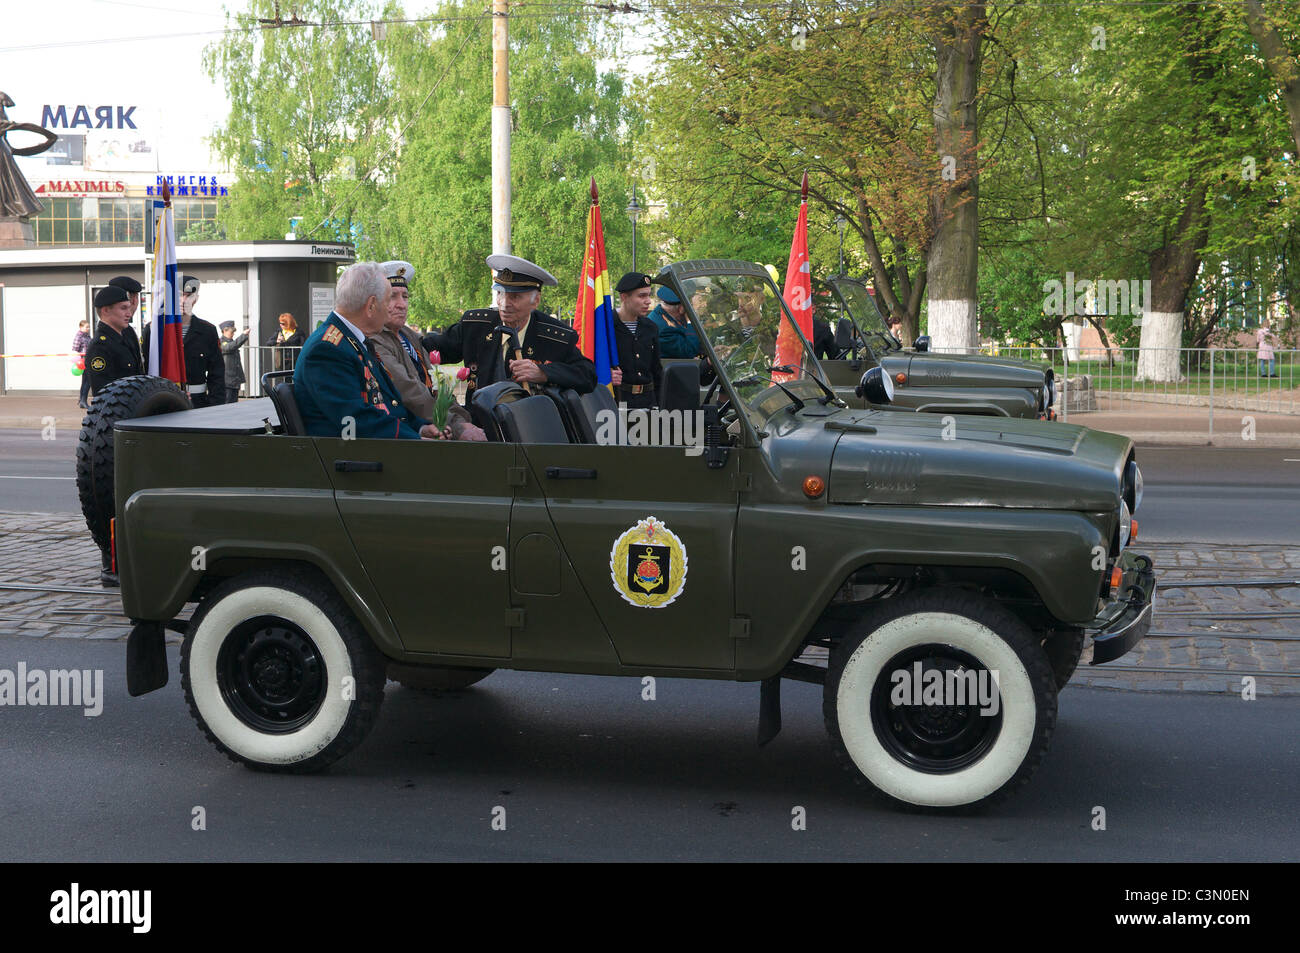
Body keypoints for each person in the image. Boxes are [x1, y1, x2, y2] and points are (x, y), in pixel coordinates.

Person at [294, 261, 444, 440]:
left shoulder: (351, 340)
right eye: (388, 300)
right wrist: (415, 439)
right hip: (354, 459)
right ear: (371, 305)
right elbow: (355, 420)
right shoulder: (327, 350)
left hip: (374, 450)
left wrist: (420, 428)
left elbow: (391, 404)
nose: (392, 308)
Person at [423, 254, 596, 400]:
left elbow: (588, 376)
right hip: (479, 429)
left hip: (531, 429)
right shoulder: (476, 326)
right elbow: (428, 349)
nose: (504, 304)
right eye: (500, 293)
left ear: (535, 301)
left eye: (514, 297)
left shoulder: (554, 336)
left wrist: (543, 373)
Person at [369, 260, 485, 440]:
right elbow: (409, 391)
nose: (402, 304)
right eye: (393, 296)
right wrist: (457, 424)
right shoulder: (375, 339)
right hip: (407, 433)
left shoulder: (408, 335)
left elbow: (437, 387)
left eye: (405, 297)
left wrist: (463, 419)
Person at [142, 276, 225, 406]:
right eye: (180, 295)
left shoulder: (208, 331)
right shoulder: (154, 330)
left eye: (189, 296)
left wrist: (215, 407)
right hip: (162, 403)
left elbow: (217, 374)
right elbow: (144, 369)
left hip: (199, 404)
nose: (184, 300)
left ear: (196, 299)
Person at [611, 272, 663, 409]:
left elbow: (656, 370)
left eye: (649, 295)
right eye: (641, 296)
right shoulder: (606, 326)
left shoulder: (650, 327)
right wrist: (604, 374)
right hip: (617, 401)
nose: (648, 301)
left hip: (648, 401)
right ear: (624, 297)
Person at [84, 285, 142, 397]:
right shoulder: (100, 346)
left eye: (129, 308)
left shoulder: (125, 337)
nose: (129, 314)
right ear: (105, 310)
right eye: (123, 308)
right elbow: (104, 394)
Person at [647, 285, 702, 359]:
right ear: (681, 308)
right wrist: (690, 321)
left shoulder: (662, 313)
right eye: (690, 305)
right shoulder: (664, 329)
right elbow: (689, 352)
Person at [219, 320, 249, 404]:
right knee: (227, 402)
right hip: (227, 380)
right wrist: (243, 335)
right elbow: (229, 347)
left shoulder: (231, 342)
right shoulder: (221, 342)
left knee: (234, 403)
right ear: (224, 331)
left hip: (235, 379)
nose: (233, 334)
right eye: (231, 332)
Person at [72, 318, 92, 408]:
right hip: (83, 360)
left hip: (89, 359)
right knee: (87, 381)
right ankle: (83, 400)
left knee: (85, 381)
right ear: (81, 327)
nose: (88, 329)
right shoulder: (79, 337)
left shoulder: (87, 336)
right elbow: (75, 350)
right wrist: (79, 360)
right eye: (86, 327)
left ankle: (82, 400)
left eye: (89, 327)